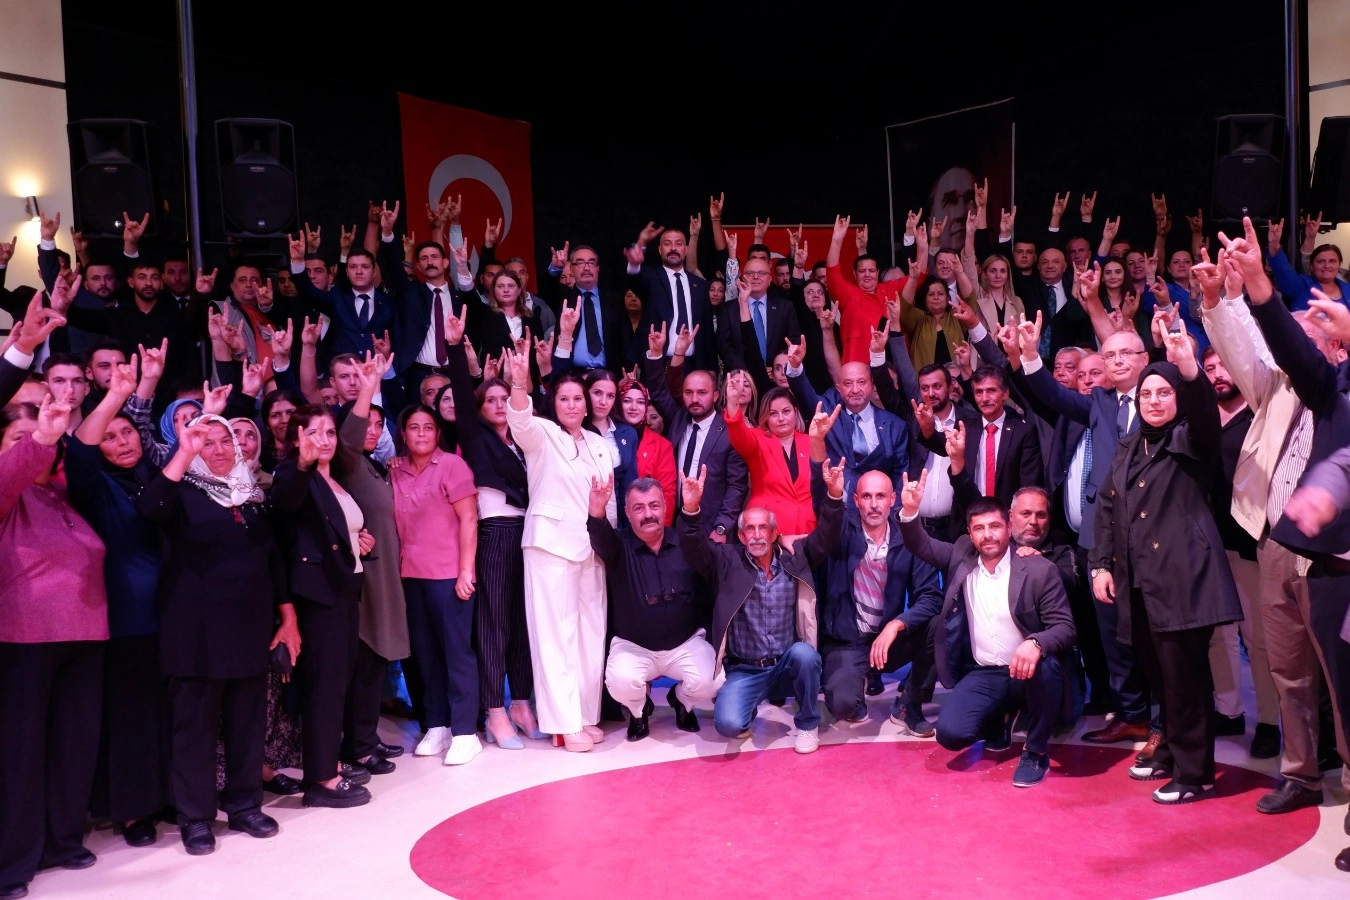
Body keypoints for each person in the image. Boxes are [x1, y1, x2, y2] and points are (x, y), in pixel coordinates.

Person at [1089, 327, 1241, 803]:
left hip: (1183, 580)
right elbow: (1108, 507)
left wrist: (1190, 370)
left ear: (1178, 397)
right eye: (1146, 394)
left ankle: (1195, 775)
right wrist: (1101, 564)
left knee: (1186, 680)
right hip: (1139, 583)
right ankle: (1171, 752)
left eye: (1163, 393)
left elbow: (1205, 416)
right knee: (1159, 677)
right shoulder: (1132, 443)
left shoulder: (1192, 438)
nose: (1154, 401)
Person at [136, 413, 298, 856]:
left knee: (248, 722)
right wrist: (184, 452)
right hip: (195, 634)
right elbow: (150, 509)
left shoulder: (250, 496)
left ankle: (244, 806)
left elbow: (272, 559)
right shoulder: (180, 492)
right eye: (206, 443)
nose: (219, 449)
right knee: (195, 728)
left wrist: (287, 616)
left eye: (225, 440)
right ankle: (195, 817)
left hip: (249, 629)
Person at [898, 474, 1076, 788]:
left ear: (1008, 526)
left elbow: (1065, 627)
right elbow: (920, 544)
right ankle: (998, 717)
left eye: (994, 526)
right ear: (970, 533)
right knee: (951, 734)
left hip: (1028, 671)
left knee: (1047, 666)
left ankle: (1036, 752)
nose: (988, 535)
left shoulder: (1039, 569)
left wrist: (1036, 642)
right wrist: (911, 511)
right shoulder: (961, 556)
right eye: (979, 528)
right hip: (986, 673)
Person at [0, 399, 109, 895]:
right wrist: (41, 437)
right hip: (25, 637)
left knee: (73, 745)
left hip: (86, 636)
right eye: (18, 439)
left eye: (42, 439)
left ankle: (62, 841)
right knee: (21, 752)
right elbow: (13, 471)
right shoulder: (7, 494)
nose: (33, 447)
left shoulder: (63, 495)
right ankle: (12, 862)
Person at [66, 356, 171, 846]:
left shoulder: (156, 475)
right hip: (128, 619)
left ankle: (169, 793)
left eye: (127, 432)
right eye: (110, 436)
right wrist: (115, 398)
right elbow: (79, 454)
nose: (123, 442)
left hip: (173, 615)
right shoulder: (95, 486)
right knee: (131, 715)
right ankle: (133, 811)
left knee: (169, 710)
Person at [681, 455, 846, 753]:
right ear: (741, 536)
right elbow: (695, 548)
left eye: (762, 529)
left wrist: (834, 496)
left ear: (774, 533)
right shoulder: (727, 561)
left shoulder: (795, 556)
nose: (757, 536)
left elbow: (827, 536)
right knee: (729, 725)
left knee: (806, 654)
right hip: (745, 669)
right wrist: (691, 510)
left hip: (786, 664)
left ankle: (807, 725)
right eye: (750, 530)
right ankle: (748, 705)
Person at [506, 354, 616, 751]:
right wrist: (519, 382)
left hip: (591, 547)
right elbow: (520, 420)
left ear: (587, 404)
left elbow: (608, 500)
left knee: (590, 635)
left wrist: (609, 542)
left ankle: (583, 716)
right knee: (555, 635)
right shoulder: (543, 433)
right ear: (553, 403)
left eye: (577, 398)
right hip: (550, 545)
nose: (571, 405)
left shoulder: (600, 444)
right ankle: (563, 723)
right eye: (563, 398)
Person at [441, 310, 540, 749]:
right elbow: (462, 399)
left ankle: (521, 703)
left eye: (506, 398)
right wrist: (454, 348)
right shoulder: (476, 437)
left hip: (527, 536)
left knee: (521, 624)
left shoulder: (526, 438)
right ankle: (494, 710)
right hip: (495, 534)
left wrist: (525, 371)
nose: (500, 405)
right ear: (480, 409)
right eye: (492, 400)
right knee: (494, 625)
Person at [270, 405, 377, 805]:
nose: (324, 440)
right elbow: (284, 505)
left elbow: (337, 535)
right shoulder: (293, 473)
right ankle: (320, 780)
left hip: (345, 589)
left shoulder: (335, 481)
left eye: (330, 432)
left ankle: (327, 760)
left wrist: (362, 544)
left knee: (338, 682)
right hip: (318, 595)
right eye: (313, 432)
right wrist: (302, 463)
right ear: (296, 438)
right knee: (325, 686)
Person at [589, 476, 715, 740]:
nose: (648, 514)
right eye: (639, 508)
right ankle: (639, 711)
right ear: (627, 513)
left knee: (711, 680)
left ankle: (681, 701)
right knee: (620, 681)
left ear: (665, 506)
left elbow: (708, 559)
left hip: (685, 643)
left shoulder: (684, 542)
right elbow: (600, 537)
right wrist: (597, 511)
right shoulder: (618, 545)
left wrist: (692, 507)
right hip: (634, 647)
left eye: (654, 505)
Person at [817, 469, 942, 734]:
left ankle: (910, 703)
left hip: (888, 640)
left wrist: (897, 624)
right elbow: (828, 519)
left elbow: (931, 596)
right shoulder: (840, 532)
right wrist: (833, 495)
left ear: (892, 499)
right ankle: (858, 679)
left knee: (939, 625)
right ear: (856, 500)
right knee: (843, 707)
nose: (874, 504)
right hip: (848, 640)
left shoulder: (910, 538)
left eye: (881, 496)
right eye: (867, 496)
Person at [390, 404, 481, 764]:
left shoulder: (452, 466)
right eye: (414, 428)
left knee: (457, 653)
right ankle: (437, 725)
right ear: (403, 434)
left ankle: (465, 732)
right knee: (424, 656)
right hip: (411, 575)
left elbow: (469, 519)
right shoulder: (395, 470)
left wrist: (466, 571)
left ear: (438, 433)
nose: (422, 434)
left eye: (429, 427)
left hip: (448, 575)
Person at [724, 385, 817, 536]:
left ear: (795, 412)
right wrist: (733, 403)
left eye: (786, 411)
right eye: (773, 414)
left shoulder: (811, 441)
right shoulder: (757, 438)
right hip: (768, 530)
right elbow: (738, 433)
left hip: (807, 529)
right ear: (765, 417)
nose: (781, 418)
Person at [617, 377, 677, 523]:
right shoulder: (607, 435)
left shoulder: (662, 445)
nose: (634, 407)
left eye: (640, 402)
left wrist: (660, 529)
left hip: (647, 522)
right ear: (618, 403)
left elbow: (667, 494)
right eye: (627, 401)